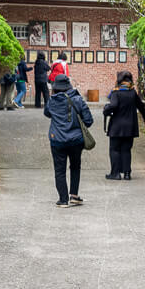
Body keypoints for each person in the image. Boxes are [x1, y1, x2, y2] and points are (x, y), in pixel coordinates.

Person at [44, 74, 93, 208]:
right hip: (76, 141)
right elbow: (89, 121)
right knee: (75, 167)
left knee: (59, 170)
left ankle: (63, 199)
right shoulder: (77, 99)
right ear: (68, 86)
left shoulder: (51, 101)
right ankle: (74, 196)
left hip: (57, 140)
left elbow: (47, 113)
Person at [102, 70, 145, 180]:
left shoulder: (116, 92)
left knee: (114, 150)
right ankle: (127, 174)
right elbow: (141, 106)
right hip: (130, 127)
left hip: (116, 127)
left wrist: (106, 109)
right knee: (126, 150)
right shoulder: (132, 92)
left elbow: (113, 105)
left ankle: (115, 173)